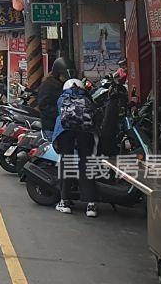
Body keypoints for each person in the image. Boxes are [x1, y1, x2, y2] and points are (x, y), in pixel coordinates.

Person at [53, 78, 99, 217]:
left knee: (66, 162)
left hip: (65, 132)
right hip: (86, 132)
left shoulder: (62, 98)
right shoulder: (88, 99)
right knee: (86, 164)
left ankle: (64, 202)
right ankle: (91, 205)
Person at [36, 57, 73, 139]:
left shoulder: (68, 85)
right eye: (64, 75)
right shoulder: (48, 85)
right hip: (52, 126)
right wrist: (61, 113)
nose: (66, 77)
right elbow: (43, 105)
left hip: (66, 126)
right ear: (57, 74)